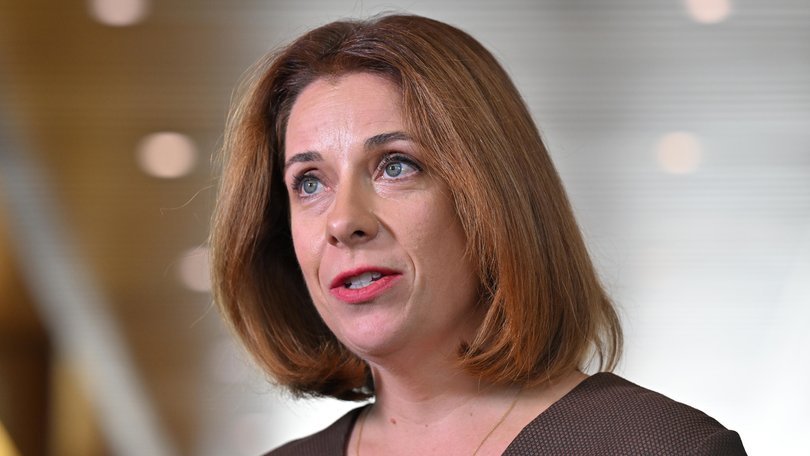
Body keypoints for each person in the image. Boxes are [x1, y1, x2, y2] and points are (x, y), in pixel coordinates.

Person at [210, 14, 747, 455]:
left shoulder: (663, 448)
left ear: (489, 198)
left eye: (395, 165)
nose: (342, 220)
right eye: (309, 181)